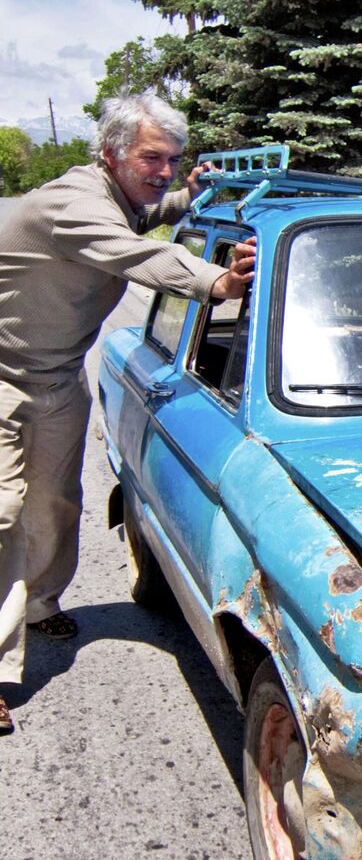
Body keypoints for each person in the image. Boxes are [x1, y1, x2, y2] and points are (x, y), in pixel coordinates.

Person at [0, 92, 255, 733]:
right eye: (152, 158)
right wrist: (216, 282)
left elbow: (148, 215)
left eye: (173, 159)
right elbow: (136, 254)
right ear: (111, 153)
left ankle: (38, 605)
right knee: (1, 513)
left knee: (54, 502)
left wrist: (187, 196)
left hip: (57, 375)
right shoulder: (71, 204)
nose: (164, 170)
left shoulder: (119, 198)